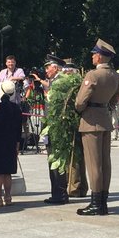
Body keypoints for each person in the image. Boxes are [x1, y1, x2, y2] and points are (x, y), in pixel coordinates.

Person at [74, 39, 119, 216]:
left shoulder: (92, 75)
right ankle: (103, 200)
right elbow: (116, 97)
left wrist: (79, 109)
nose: (93, 57)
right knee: (105, 163)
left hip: (91, 120)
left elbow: (80, 101)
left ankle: (96, 203)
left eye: (94, 54)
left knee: (94, 164)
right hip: (104, 118)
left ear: (100, 56)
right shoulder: (114, 76)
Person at [0, 79, 23, 206]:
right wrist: (17, 143)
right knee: (7, 172)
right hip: (11, 142)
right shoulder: (16, 108)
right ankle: (8, 197)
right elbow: (19, 128)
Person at [41, 55, 70, 204]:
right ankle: (59, 193)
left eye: (48, 67)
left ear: (56, 67)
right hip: (54, 126)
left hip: (56, 127)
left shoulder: (59, 82)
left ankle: (59, 194)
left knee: (55, 160)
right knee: (55, 160)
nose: (46, 70)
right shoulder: (55, 81)